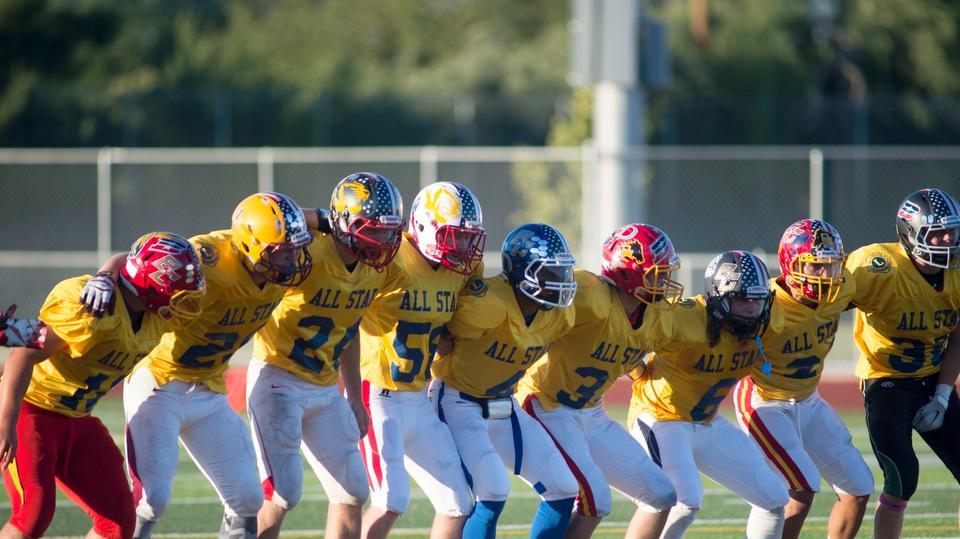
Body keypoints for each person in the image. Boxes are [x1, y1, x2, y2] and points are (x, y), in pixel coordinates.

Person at [81, 192, 314, 539]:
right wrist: (103, 276)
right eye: (283, 251)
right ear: (251, 245)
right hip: (160, 381)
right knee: (150, 499)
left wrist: (321, 217)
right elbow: (140, 258)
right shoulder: (211, 258)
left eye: (295, 249)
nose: (292, 260)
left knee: (248, 498)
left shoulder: (278, 269)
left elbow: (321, 231)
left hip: (208, 389)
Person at [0, 232, 205, 539]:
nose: (183, 302)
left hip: (77, 417)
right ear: (152, 285)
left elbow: (131, 261)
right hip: (33, 408)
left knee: (119, 519)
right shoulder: (94, 307)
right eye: (176, 292)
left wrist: (106, 272)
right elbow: (23, 354)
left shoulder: (155, 314)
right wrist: (6, 422)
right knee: (34, 513)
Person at [248, 173, 404, 539]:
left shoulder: (375, 270)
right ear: (346, 222)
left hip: (322, 386)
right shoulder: (309, 250)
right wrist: (322, 216)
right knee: (283, 493)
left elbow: (349, 329)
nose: (385, 240)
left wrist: (353, 395)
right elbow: (268, 219)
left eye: (388, 231)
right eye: (375, 230)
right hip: (278, 378)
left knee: (353, 490)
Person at [515, 223, 680, 539]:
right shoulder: (589, 295)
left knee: (661, 495)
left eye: (665, 273)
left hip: (591, 412)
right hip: (546, 402)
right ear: (627, 271)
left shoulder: (660, 316)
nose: (664, 282)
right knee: (595, 498)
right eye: (656, 273)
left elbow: (622, 345)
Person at [430, 222, 580, 539]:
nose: (560, 283)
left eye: (562, 273)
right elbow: (439, 332)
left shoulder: (559, 315)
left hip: (505, 403)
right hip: (458, 400)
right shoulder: (486, 303)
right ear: (521, 271)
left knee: (563, 487)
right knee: (493, 490)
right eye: (549, 274)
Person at [628, 250, 789, 539]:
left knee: (773, 498)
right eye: (742, 299)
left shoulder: (769, 326)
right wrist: (637, 371)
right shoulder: (684, 318)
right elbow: (627, 338)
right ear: (719, 296)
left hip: (707, 421)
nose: (752, 308)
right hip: (661, 417)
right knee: (683, 501)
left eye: (758, 299)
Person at [357, 181, 485, 539]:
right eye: (454, 236)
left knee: (458, 503)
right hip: (378, 393)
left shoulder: (460, 270)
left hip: (418, 397)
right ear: (426, 225)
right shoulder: (392, 257)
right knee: (389, 500)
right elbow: (349, 310)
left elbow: (448, 326)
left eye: (466, 237)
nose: (462, 246)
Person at [733, 219, 872, 539]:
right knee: (798, 489)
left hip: (808, 399)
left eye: (832, 265)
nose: (827, 275)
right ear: (790, 264)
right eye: (816, 267)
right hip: (764, 399)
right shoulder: (763, 303)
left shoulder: (843, 286)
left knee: (858, 486)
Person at [846, 188, 960, 538]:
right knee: (902, 476)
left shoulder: (956, 274)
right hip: (887, 383)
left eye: (952, 231)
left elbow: (958, 333)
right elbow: (823, 307)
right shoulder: (878, 267)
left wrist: (942, 394)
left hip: (932, 378)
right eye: (936, 233)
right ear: (911, 234)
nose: (947, 240)